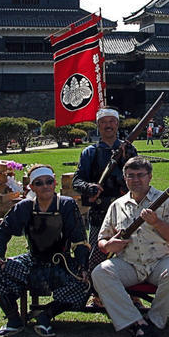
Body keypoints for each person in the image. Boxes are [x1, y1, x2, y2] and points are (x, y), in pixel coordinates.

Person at [0, 164, 91, 337]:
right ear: (32, 187)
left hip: (60, 264)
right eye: (39, 183)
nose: (45, 186)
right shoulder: (24, 207)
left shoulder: (66, 205)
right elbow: (2, 231)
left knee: (84, 284)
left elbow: (79, 239)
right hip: (32, 262)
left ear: (55, 183)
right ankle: (14, 320)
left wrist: (82, 266)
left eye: (49, 182)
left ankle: (46, 316)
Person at [91, 156, 169, 337]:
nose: (136, 179)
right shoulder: (117, 205)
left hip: (161, 260)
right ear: (125, 179)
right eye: (130, 176)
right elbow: (102, 240)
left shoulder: (167, 201)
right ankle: (136, 322)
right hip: (129, 262)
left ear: (150, 176)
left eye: (140, 175)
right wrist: (110, 246)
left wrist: (157, 223)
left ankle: (153, 322)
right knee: (100, 273)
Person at [72, 108, 138, 271]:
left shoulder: (129, 150)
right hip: (99, 210)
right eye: (103, 122)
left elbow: (138, 177)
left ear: (117, 124)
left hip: (126, 209)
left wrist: (127, 156)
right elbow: (77, 181)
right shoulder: (90, 152)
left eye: (111, 122)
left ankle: (131, 293)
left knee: (130, 253)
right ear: (98, 125)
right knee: (97, 253)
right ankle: (96, 292)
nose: (108, 125)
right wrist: (89, 187)